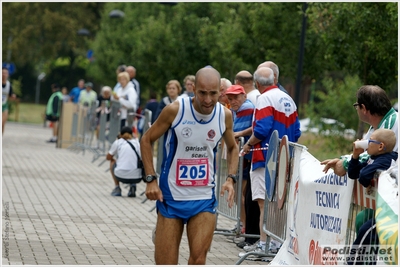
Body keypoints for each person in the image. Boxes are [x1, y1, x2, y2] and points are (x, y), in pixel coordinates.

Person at [140, 67, 239, 265]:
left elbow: (233, 148)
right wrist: (151, 179)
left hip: (203, 199)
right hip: (171, 199)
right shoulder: (175, 110)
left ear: (220, 91)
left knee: (198, 259)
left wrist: (230, 178)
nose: (208, 100)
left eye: (213, 94)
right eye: (202, 93)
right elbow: (146, 140)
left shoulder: (224, 115)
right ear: (193, 88)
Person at [240, 67, 301, 256]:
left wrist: (248, 145)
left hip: (265, 158)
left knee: (263, 204)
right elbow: (297, 131)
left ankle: (264, 245)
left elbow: (261, 130)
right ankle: (274, 244)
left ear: (257, 84)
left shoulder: (264, 98)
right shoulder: (287, 98)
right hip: (284, 158)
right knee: (277, 204)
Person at [321, 85, 398, 176]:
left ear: (364, 108)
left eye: (356, 106)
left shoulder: (389, 125)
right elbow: (365, 151)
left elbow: (372, 156)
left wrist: (345, 164)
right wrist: (344, 160)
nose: (356, 109)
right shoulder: (379, 124)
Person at [346, 129, 398, 265]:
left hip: (392, 213)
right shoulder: (374, 158)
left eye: (370, 141)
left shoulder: (387, 160)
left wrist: (367, 179)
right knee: (362, 223)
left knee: (366, 230)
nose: (366, 144)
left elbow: (363, 176)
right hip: (385, 210)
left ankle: (352, 263)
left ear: (380, 146)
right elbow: (354, 173)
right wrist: (355, 156)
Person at [225, 84, 260, 248]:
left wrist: (236, 135)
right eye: (230, 98)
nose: (233, 101)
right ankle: (245, 228)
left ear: (244, 96)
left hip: (248, 157)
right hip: (246, 157)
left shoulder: (246, 107)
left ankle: (246, 229)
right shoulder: (237, 109)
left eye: (236, 97)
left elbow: (234, 133)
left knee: (243, 195)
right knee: (242, 194)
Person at [106, 126, 142, 197]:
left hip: (120, 175)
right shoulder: (137, 143)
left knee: (112, 161)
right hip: (136, 177)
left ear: (120, 134)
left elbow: (108, 157)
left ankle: (117, 188)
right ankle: (132, 185)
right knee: (136, 162)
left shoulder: (118, 142)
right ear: (132, 134)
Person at [2, 67, 16, 135]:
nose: (4, 74)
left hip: (4, 106)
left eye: (5, 73)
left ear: (8, 75)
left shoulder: (8, 85)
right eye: (2, 73)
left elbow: (10, 96)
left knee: (2, 123)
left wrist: (13, 97)